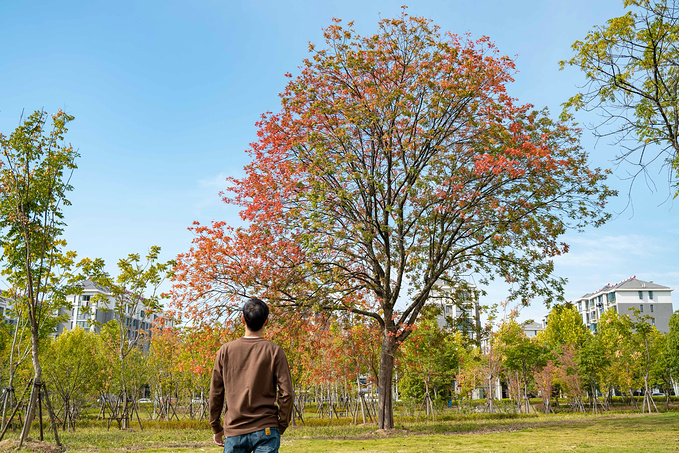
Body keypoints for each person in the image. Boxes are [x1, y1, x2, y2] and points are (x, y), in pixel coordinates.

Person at [209, 298, 293, 453]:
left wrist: (216, 427)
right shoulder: (275, 351)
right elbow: (286, 393)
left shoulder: (225, 351)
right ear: (267, 321)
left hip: (235, 431)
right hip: (266, 428)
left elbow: (216, 393)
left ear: (242, 319)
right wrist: (282, 424)